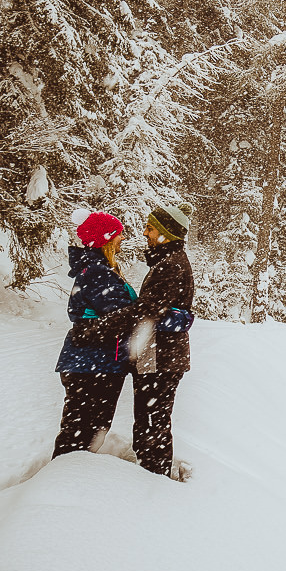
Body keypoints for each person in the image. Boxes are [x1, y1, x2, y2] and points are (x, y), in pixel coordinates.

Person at [51, 211, 137, 457]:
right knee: (84, 431)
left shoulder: (98, 269)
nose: (122, 239)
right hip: (92, 364)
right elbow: (120, 315)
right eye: (118, 235)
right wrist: (150, 310)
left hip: (92, 362)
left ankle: (69, 475)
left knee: (82, 429)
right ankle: (64, 478)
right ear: (106, 239)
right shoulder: (99, 272)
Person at [123, 202, 196, 478]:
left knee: (153, 419)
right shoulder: (166, 262)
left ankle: (153, 477)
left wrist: (115, 315)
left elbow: (148, 311)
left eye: (151, 228)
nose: (145, 233)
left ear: (167, 232)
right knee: (150, 417)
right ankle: (150, 469)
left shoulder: (171, 265)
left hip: (161, 359)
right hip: (158, 356)